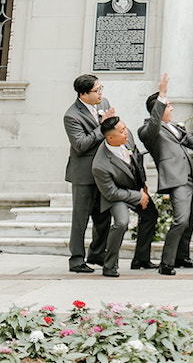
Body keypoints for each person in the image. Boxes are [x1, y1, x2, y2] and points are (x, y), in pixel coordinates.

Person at [138, 73, 193, 275]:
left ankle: (181, 257)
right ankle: (166, 263)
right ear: (156, 110)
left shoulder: (174, 128)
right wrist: (162, 95)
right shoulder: (148, 131)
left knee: (192, 217)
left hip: (189, 177)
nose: (172, 108)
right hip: (175, 179)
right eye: (168, 105)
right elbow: (153, 125)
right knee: (181, 219)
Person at [91, 117, 158, 277]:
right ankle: (109, 265)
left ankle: (141, 259)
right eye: (121, 131)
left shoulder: (126, 140)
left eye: (125, 128)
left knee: (151, 214)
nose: (126, 133)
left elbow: (138, 163)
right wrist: (137, 197)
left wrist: (144, 188)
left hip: (135, 189)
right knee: (121, 223)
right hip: (116, 195)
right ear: (110, 138)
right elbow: (111, 193)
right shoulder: (100, 165)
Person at [63, 74, 113, 272]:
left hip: (104, 171)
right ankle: (76, 260)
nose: (101, 93)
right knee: (80, 219)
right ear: (84, 94)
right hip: (83, 174)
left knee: (103, 216)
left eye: (101, 88)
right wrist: (103, 127)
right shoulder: (71, 115)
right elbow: (81, 144)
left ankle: (97, 254)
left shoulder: (105, 103)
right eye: (96, 90)